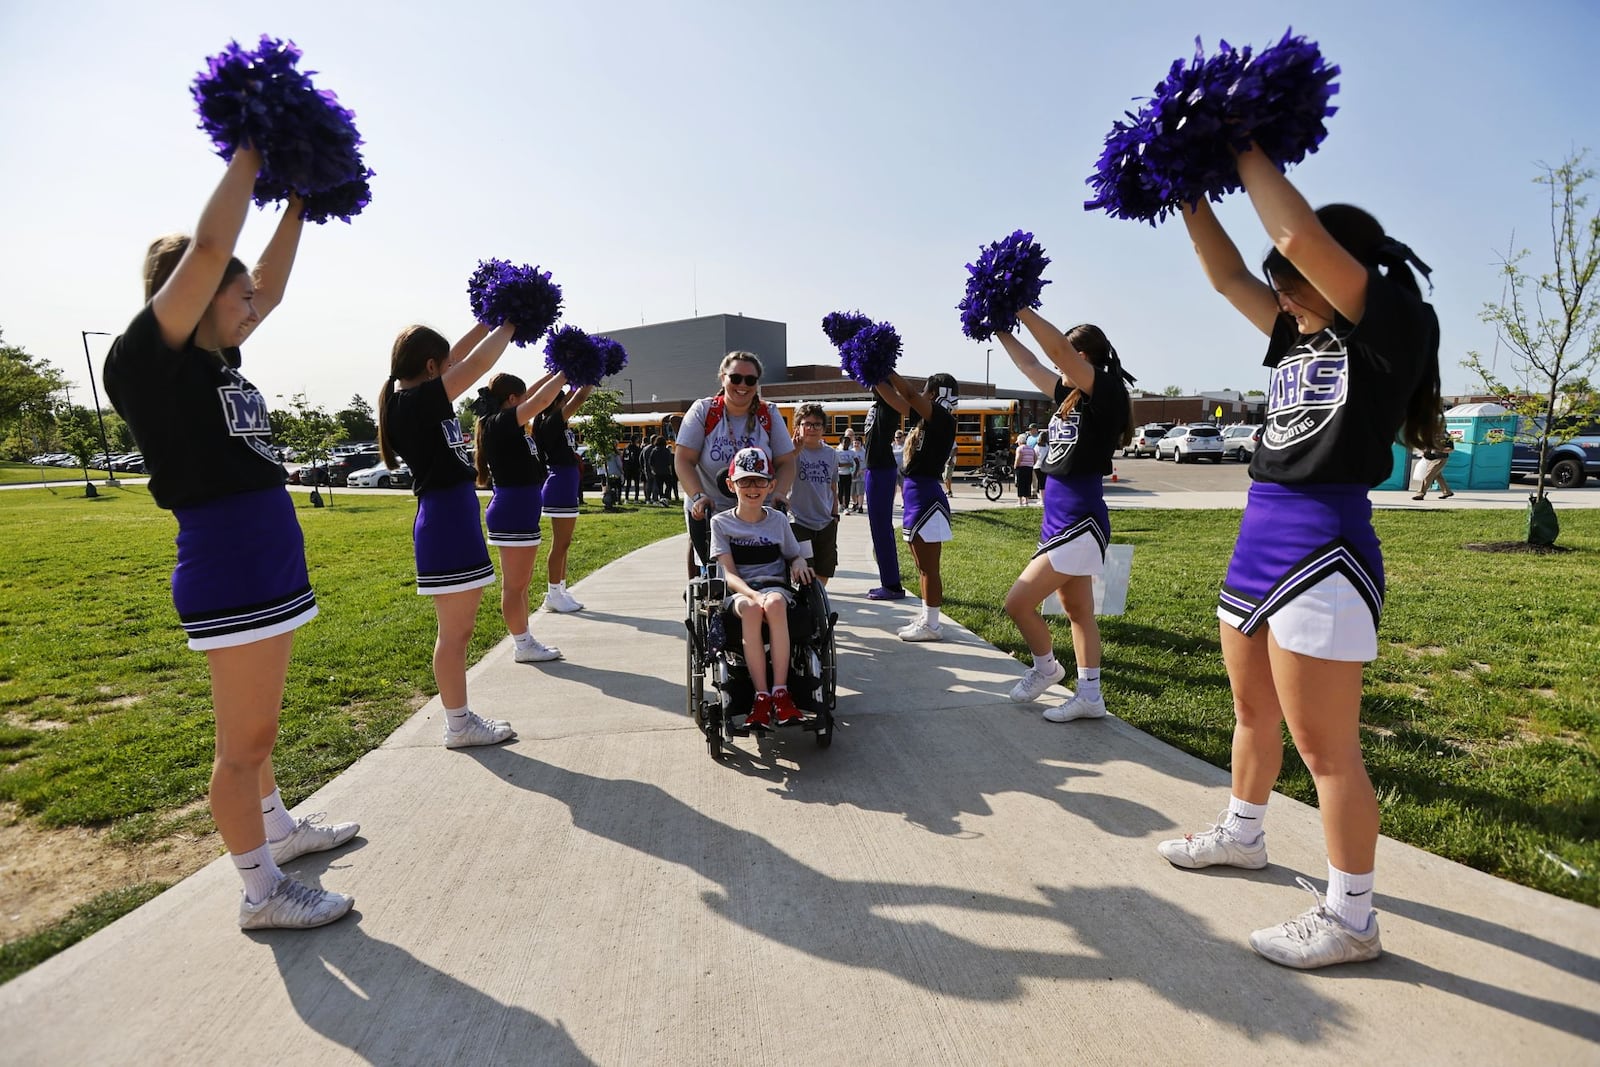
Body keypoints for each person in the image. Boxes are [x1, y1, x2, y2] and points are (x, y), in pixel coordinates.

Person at [1161, 143, 1443, 969]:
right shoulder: (1297, 336)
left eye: (1292, 275)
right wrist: (1183, 191)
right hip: (1259, 538)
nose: (1280, 290)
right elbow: (1225, 277)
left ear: (1339, 263)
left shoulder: (1390, 322)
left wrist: (1245, 145)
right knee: (1250, 714)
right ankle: (1244, 834)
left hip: (1325, 547)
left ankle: (1353, 917)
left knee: (1328, 751)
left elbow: (1295, 237)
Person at [103, 147, 357, 931]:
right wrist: (254, 150)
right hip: (226, 562)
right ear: (195, 294)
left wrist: (301, 200)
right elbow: (214, 251)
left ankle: (279, 829)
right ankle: (260, 891)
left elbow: (268, 285)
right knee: (242, 742)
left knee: (263, 729)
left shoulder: (220, 360)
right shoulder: (148, 362)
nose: (253, 307)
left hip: (267, 558)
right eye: (237, 297)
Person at [380, 320, 520, 751]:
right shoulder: (417, 400)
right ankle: (458, 725)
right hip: (444, 521)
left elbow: (459, 358)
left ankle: (459, 721)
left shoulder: (414, 394)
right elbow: (476, 363)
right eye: (442, 365)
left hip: (451, 518)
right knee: (454, 634)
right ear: (428, 366)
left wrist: (488, 321)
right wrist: (512, 322)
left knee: (460, 629)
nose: (450, 369)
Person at [997, 317, 1134, 722]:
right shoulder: (1070, 394)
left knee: (1018, 602)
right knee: (1077, 612)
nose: (1057, 366)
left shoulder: (1105, 391)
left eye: (1067, 359)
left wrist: (1020, 307)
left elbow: (1054, 351)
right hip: (1059, 520)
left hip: (1080, 519)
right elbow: (1029, 365)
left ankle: (1046, 668)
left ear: (1084, 357)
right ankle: (1090, 696)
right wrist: (1000, 327)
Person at [711, 447, 815, 728]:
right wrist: (751, 594)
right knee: (751, 607)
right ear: (732, 485)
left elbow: (796, 554)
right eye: (745, 481)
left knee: (775, 603)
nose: (752, 488)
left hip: (775, 589)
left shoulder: (779, 521)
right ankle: (761, 696)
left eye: (759, 481)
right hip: (739, 592)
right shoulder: (720, 523)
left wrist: (798, 563)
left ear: (770, 485)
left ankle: (780, 693)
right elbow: (728, 574)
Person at [472, 370, 567, 663]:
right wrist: (567, 373)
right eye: (521, 398)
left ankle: (525, 639)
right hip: (512, 512)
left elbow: (535, 393)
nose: (527, 403)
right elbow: (540, 400)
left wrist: (554, 372)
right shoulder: (499, 423)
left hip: (520, 511)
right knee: (514, 586)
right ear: (511, 399)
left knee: (521, 584)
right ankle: (522, 644)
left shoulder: (502, 421)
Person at [673, 351, 796, 575]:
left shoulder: (768, 413)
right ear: (723, 378)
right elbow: (683, 460)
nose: (743, 384)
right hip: (712, 511)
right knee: (714, 574)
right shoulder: (704, 410)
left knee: (765, 570)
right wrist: (698, 496)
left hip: (758, 511)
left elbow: (786, 462)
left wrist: (779, 492)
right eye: (735, 378)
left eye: (750, 380)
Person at [879, 372, 959, 640]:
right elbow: (895, 398)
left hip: (927, 496)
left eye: (927, 391)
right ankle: (928, 618)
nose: (921, 395)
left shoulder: (942, 419)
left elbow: (910, 395)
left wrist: (889, 368)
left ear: (936, 393)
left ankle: (933, 625)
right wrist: (872, 373)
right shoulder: (926, 418)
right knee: (921, 566)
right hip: (916, 494)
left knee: (929, 567)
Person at [532, 384, 593, 612]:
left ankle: (561, 589)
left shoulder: (555, 421)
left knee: (564, 544)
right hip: (559, 485)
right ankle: (553, 593)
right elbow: (578, 399)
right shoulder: (550, 423)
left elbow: (571, 397)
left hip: (566, 484)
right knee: (560, 543)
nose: (567, 405)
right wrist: (592, 372)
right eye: (562, 403)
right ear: (555, 405)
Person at [788, 402, 841, 586]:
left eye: (817, 424)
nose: (812, 428)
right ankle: (809, 604)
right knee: (805, 571)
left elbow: (833, 487)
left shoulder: (831, 454)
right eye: (807, 424)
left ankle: (818, 601)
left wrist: (835, 514)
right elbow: (782, 479)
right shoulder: (790, 452)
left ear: (823, 428)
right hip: (799, 521)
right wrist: (794, 452)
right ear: (798, 427)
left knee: (824, 569)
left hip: (825, 521)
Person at [861, 390, 908, 598]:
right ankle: (888, 582)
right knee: (878, 528)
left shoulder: (891, 404)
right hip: (874, 469)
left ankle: (892, 585)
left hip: (881, 469)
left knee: (882, 529)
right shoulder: (876, 405)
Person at [1413, 433, 1455, 500]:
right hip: (1428, 459)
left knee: (1428, 475)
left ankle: (1420, 493)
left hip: (1439, 458)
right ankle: (1447, 492)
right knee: (1437, 475)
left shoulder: (1446, 436)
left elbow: (1451, 449)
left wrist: (1439, 449)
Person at [1013, 432, 1037, 506]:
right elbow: (1035, 458)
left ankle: (1020, 501)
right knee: (1027, 484)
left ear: (1020, 441)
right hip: (1029, 468)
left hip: (1021, 468)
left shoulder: (1019, 448)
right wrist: (1032, 463)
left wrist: (1015, 466)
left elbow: (1018, 458)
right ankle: (1026, 501)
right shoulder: (1031, 449)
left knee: (1020, 484)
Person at [835, 432, 857, 515]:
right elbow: (837, 464)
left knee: (847, 491)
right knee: (840, 491)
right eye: (844, 442)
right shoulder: (838, 452)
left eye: (848, 443)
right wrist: (847, 464)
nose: (846, 444)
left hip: (848, 474)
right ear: (841, 442)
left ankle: (847, 507)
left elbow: (857, 462)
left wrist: (855, 471)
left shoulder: (851, 452)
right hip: (840, 474)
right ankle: (841, 504)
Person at [622, 437, 643, 502]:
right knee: (636, 483)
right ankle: (636, 498)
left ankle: (626, 498)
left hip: (627, 467)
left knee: (628, 483)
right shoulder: (637, 449)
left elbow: (623, 458)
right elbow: (639, 458)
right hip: (635, 467)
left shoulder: (626, 448)